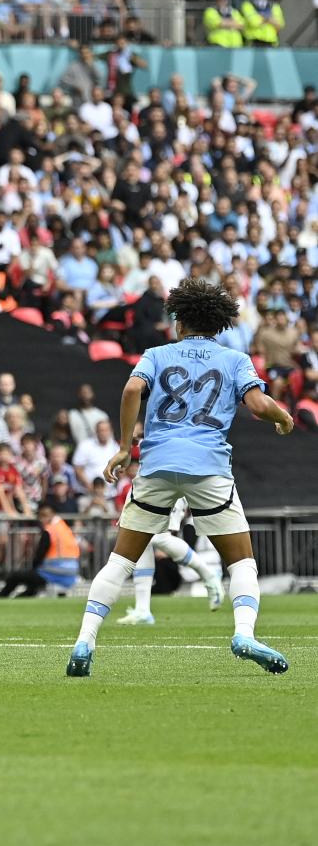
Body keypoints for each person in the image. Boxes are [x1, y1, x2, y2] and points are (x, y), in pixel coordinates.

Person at [67, 279, 294, 677]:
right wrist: (284, 417)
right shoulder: (235, 358)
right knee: (241, 564)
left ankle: (85, 640)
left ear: (179, 321)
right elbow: (258, 404)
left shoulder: (156, 354)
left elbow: (131, 388)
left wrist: (124, 447)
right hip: (208, 469)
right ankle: (243, 633)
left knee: (120, 561)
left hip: (156, 465)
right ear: (219, 323)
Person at [117, 498, 224, 625]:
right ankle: (142, 609)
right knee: (143, 536)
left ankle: (208, 575)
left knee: (157, 537)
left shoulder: (192, 524)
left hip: (171, 482)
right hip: (150, 485)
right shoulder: (193, 523)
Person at [0, 503, 80, 598]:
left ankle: (1, 596)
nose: (42, 519)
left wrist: (33, 568)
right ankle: (23, 596)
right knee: (31, 585)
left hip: (53, 574)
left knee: (15, 576)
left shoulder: (50, 530)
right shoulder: (64, 528)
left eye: (44, 515)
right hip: (71, 575)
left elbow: (40, 554)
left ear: (52, 514)